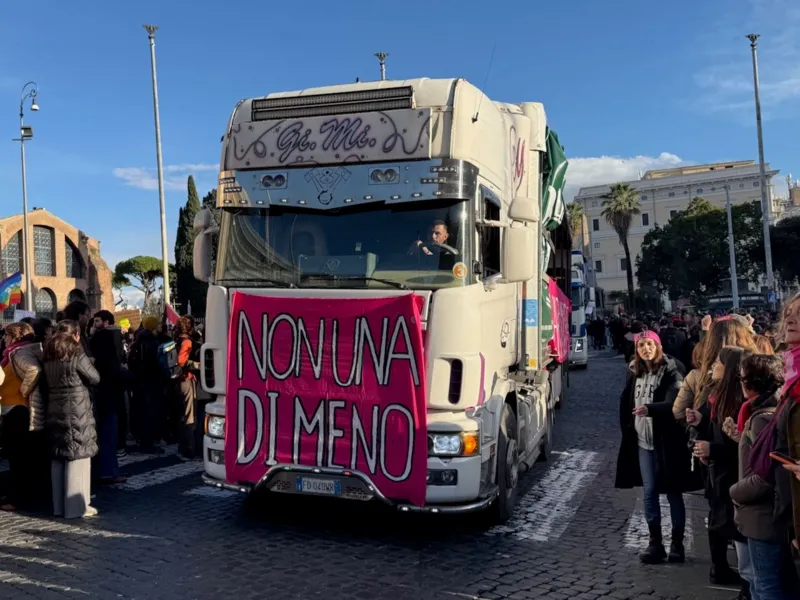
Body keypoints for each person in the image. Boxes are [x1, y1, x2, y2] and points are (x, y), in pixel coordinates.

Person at [615, 330, 697, 564]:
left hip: (667, 440)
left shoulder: (672, 370)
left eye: (650, 344)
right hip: (642, 440)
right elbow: (627, 400)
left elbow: (675, 402)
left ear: (658, 346)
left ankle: (677, 544)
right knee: (649, 492)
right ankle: (655, 543)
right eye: (641, 345)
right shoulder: (634, 371)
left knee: (673, 491)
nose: (645, 348)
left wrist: (651, 409)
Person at [730, 353, 796, 600]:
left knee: (765, 585)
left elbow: (764, 476)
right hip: (764, 516)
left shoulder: (763, 417)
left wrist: (735, 491)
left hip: (762, 517)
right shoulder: (763, 411)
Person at [687, 347, 750, 590]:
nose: (713, 365)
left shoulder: (738, 401)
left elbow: (742, 446)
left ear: (731, 369)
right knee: (718, 523)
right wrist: (700, 423)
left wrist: (712, 449)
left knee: (738, 533)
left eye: (719, 362)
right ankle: (721, 568)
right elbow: (713, 431)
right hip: (718, 475)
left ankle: (747, 587)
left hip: (734, 476)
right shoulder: (716, 394)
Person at [43, 320, 100, 518]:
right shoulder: (76, 352)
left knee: (59, 456)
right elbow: (95, 378)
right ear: (75, 335)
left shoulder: (48, 354)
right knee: (79, 456)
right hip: (77, 409)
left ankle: (59, 507)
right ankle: (76, 507)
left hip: (54, 407)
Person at [0, 322, 37, 511]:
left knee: (18, 456)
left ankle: (18, 498)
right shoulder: (11, 353)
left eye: (6, 336)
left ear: (14, 336)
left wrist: (24, 391)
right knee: (16, 455)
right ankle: (16, 494)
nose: (4, 339)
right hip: (10, 406)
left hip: (18, 408)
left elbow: (33, 371)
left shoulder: (19, 352)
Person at [89, 310, 127, 484]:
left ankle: (104, 470)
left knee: (104, 433)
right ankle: (109, 471)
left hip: (101, 391)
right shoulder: (109, 337)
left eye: (97, 320)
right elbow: (114, 367)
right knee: (108, 433)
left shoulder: (99, 338)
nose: (93, 324)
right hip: (109, 392)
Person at [127, 316, 164, 454]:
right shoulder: (152, 342)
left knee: (142, 413)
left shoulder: (139, 340)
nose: (160, 326)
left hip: (139, 382)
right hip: (150, 383)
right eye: (158, 324)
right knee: (150, 414)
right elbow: (155, 363)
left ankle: (142, 440)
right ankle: (148, 443)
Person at [173, 316, 199, 459]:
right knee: (189, 416)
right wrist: (196, 365)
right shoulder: (187, 341)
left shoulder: (177, 338)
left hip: (178, 380)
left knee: (182, 414)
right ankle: (188, 449)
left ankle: (183, 446)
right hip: (186, 379)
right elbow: (181, 361)